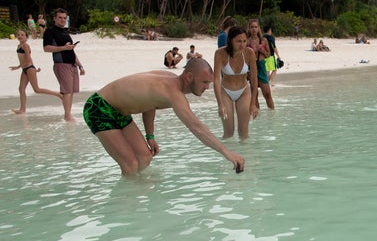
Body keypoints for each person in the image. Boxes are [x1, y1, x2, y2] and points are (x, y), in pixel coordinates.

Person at [83, 58, 245, 175]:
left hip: (119, 112)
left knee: (145, 157)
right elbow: (196, 127)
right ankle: (126, 209)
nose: (207, 87)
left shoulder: (169, 81)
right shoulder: (174, 94)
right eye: (204, 82)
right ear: (189, 77)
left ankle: (134, 192)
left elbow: (149, 103)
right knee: (131, 164)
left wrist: (150, 135)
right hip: (99, 107)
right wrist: (227, 153)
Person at [213, 25, 259, 139]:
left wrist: (253, 104)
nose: (242, 44)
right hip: (226, 92)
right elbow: (216, 79)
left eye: (244, 41)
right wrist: (220, 104)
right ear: (230, 40)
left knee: (244, 133)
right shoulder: (220, 53)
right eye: (238, 41)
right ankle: (227, 155)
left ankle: (245, 155)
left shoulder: (249, 53)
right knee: (229, 133)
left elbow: (254, 80)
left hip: (243, 91)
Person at [43, 8, 85, 122]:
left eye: (64, 18)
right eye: (60, 18)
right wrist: (63, 48)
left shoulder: (65, 32)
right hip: (61, 64)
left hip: (72, 64)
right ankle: (67, 116)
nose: (62, 20)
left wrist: (80, 66)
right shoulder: (50, 31)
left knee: (71, 91)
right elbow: (46, 48)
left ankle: (68, 114)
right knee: (66, 91)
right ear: (55, 19)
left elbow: (71, 51)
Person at [9, 29, 62, 114]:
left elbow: (28, 58)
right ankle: (22, 109)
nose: (20, 36)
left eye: (22, 35)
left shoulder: (25, 45)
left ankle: (58, 95)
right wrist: (33, 69)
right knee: (21, 89)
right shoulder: (19, 45)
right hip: (26, 69)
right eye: (18, 35)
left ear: (26, 37)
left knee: (37, 89)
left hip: (29, 68)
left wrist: (18, 67)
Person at [247, 19, 275, 110]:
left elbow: (268, 55)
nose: (254, 29)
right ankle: (257, 115)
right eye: (252, 27)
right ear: (249, 28)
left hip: (261, 66)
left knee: (267, 93)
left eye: (256, 27)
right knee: (254, 95)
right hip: (252, 67)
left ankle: (272, 114)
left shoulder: (264, 40)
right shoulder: (247, 41)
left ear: (259, 28)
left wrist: (262, 50)